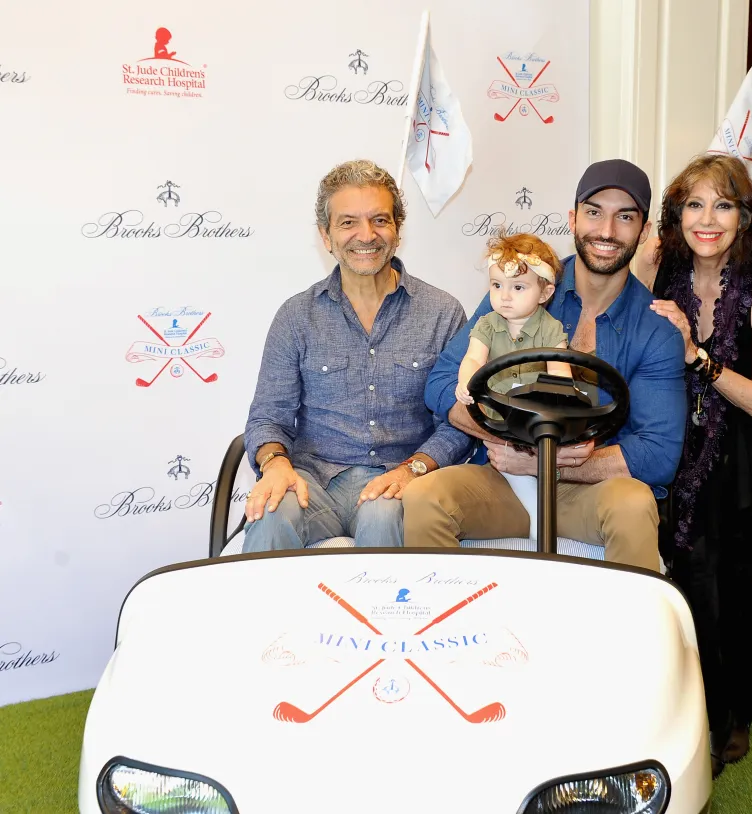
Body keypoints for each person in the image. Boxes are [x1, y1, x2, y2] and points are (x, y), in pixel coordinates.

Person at [401, 159, 687, 571]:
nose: (606, 231)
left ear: (643, 232)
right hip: (501, 480)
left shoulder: (656, 328)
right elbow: (442, 383)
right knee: (424, 498)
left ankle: (624, 634)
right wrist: (509, 440)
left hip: (588, 491)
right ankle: (457, 632)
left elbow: (659, 453)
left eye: (624, 217)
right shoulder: (521, 286)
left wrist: (545, 460)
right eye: (593, 212)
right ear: (573, 218)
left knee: (635, 504)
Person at [648, 154, 752, 777]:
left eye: (723, 205)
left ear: (745, 216)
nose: (707, 219)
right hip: (680, 424)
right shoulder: (661, 264)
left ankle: (733, 709)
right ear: (676, 215)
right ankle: (689, 695)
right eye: (694, 204)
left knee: (726, 566)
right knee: (682, 559)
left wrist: (695, 356)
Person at [242, 159, 472, 552]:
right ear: (326, 236)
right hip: (312, 481)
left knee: (383, 517)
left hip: (400, 479)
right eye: (348, 222)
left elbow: (458, 423)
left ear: (397, 230)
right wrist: (275, 462)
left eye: (379, 220)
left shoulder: (443, 313)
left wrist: (413, 468)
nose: (366, 235)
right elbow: (267, 416)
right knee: (270, 513)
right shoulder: (296, 316)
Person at [455, 231, 572, 410]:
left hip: (535, 414)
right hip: (493, 413)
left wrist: (558, 402)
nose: (505, 296)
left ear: (544, 293)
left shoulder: (551, 329)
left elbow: (558, 371)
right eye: (497, 285)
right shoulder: (486, 325)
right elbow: (474, 359)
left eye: (518, 287)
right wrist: (465, 382)